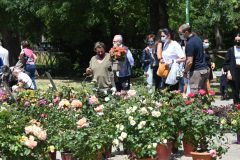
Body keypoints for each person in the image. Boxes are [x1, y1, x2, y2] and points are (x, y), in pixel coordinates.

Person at [179, 24, 209, 93]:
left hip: (196, 72)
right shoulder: (198, 39)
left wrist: (185, 72)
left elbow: (189, 62)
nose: (180, 35)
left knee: (194, 96)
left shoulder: (190, 43)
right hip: (204, 70)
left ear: (186, 32)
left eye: (181, 33)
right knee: (203, 95)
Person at [223, 32, 240, 104]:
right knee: (235, 90)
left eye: (239, 40)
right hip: (234, 71)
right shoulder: (231, 50)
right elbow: (226, 63)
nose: (238, 42)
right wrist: (228, 72)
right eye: (236, 40)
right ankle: (236, 107)